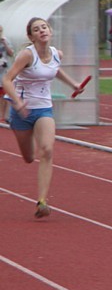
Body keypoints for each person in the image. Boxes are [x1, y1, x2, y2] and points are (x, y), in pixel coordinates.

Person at [2, 17, 86, 218]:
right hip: (21, 112)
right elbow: (6, 79)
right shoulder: (26, 55)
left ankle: (42, 202)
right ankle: (27, 134)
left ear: (50, 31)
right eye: (36, 29)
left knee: (47, 150)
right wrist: (18, 102)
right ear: (31, 36)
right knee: (29, 157)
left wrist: (73, 84)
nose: (42, 31)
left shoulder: (57, 54)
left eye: (44, 27)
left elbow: (54, 70)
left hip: (43, 109)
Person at [0, 24, 15, 121]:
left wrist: (5, 44)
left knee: (3, 94)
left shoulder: (5, 41)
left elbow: (11, 53)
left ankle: (3, 116)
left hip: (3, 71)